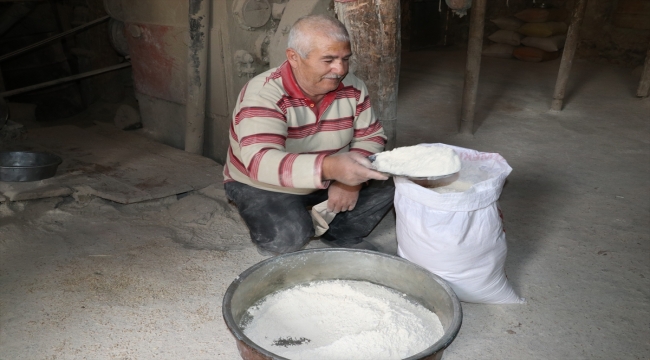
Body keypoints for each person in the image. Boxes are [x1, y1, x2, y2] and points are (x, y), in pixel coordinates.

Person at [223, 14, 395, 255]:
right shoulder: (263, 94)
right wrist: (331, 169)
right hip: (262, 182)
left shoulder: (354, 87)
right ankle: (300, 218)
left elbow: (372, 136)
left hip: (329, 173)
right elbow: (260, 161)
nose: (340, 69)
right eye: (328, 60)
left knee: (391, 181)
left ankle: (340, 234)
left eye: (345, 59)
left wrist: (349, 181)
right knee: (288, 237)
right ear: (294, 57)